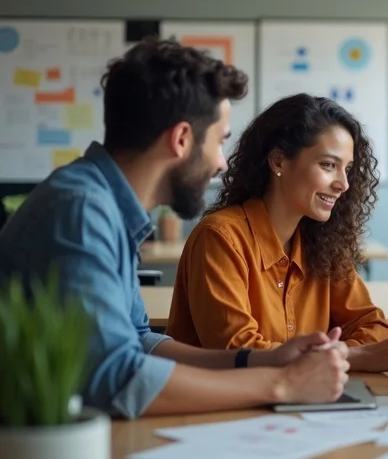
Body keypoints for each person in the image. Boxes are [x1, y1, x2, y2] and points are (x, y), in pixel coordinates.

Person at [0, 38, 350, 420]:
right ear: (181, 139)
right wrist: (284, 385)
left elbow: (139, 342)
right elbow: (116, 380)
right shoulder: (83, 211)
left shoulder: (106, 205)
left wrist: (260, 361)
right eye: (220, 141)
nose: (220, 163)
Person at [166, 94, 388, 371]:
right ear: (278, 162)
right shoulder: (220, 237)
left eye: (346, 169)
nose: (343, 184)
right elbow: (235, 349)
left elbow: (373, 325)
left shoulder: (324, 243)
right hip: (225, 405)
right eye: (328, 165)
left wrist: (334, 356)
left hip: (302, 398)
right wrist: (354, 357)